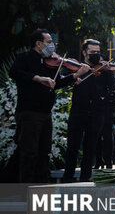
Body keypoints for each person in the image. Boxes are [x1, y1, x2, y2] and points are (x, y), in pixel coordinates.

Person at [9, 29, 90, 182]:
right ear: (38, 44)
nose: (52, 46)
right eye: (49, 42)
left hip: (45, 114)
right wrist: (38, 78)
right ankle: (25, 189)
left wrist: (75, 76)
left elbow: (57, 83)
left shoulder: (50, 63)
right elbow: (14, 73)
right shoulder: (24, 58)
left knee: (44, 153)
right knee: (28, 153)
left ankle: (41, 188)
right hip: (29, 113)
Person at [63, 39, 115, 182]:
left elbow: (114, 89)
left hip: (97, 113)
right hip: (78, 112)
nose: (96, 55)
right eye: (92, 52)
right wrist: (75, 77)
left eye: (98, 52)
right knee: (72, 147)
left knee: (90, 148)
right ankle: (67, 179)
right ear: (84, 52)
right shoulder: (77, 68)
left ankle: (84, 179)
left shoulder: (105, 71)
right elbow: (63, 83)